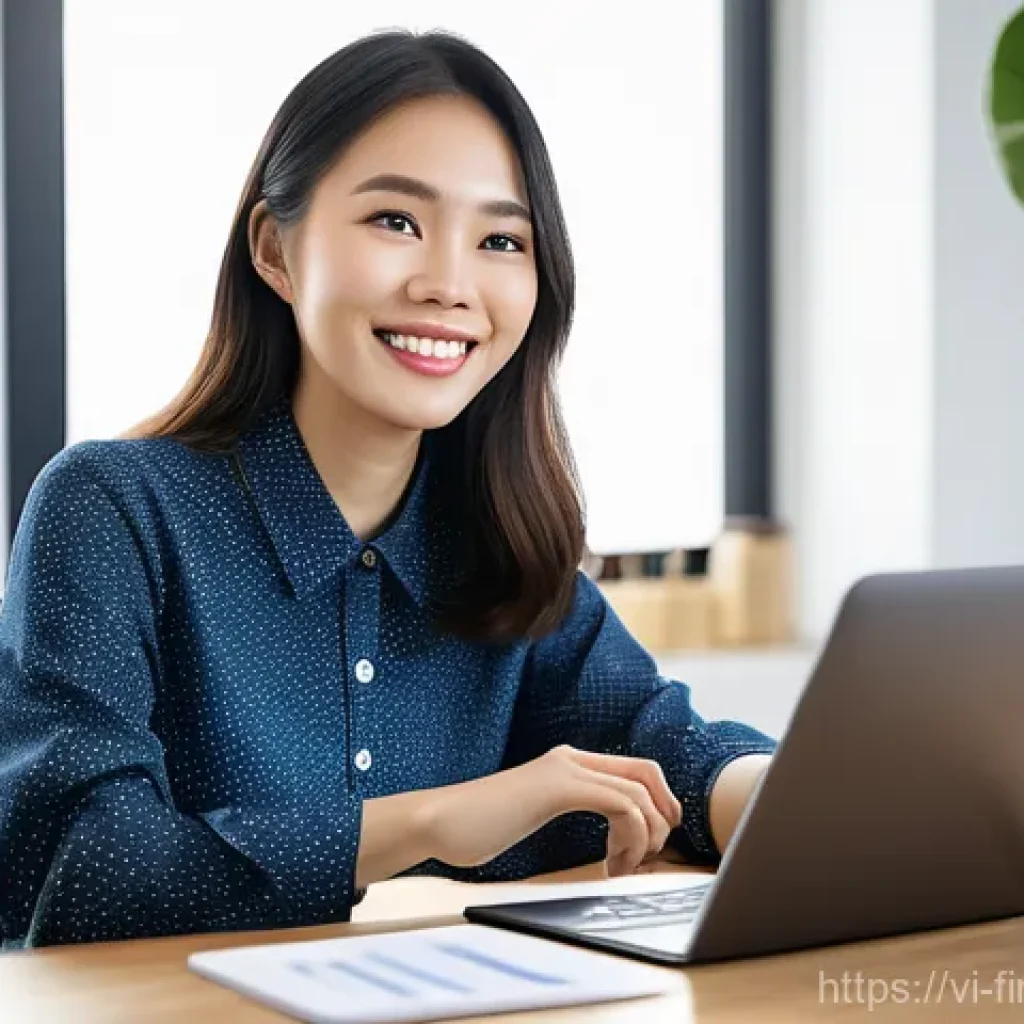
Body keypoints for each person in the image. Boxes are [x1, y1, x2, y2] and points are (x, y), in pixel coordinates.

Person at [0, 29, 776, 950]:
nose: (449, 284)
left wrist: (800, 803)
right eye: (396, 222)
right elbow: (79, 872)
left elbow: (664, 751)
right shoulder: (112, 508)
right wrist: (431, 822)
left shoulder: (496, 535)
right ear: (275, 251)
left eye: (500, 239)